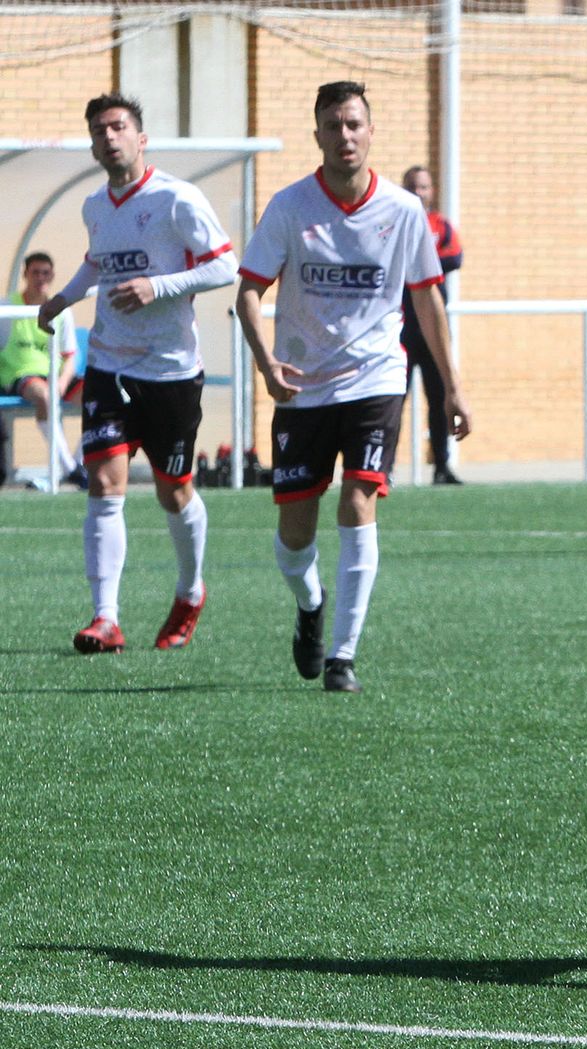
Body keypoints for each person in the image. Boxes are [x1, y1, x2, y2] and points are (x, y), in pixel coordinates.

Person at [237, 81, 472, 694]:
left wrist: (452, 387)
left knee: (359, 501)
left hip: (376, 379)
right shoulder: (290, 207)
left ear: (371, 132)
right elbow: (247, 292)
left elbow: (428, 302)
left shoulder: (402, 211)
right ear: (317, 133)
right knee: (295, 534)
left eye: (354, 124)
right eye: (334, 125)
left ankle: (343, 654)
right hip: (301, 387)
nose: (345, 135)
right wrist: (266, 363)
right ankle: (310, 604)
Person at [37, 93, 237, 654]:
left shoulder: (177, 199)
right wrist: (63, 300)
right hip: (108, 363)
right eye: (99, 130)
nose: (109, 137)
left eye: (118, 127)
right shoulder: (95, 206)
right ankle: (106, 618)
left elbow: (224, 263)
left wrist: (159, 285)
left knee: (174, 494)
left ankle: (190, 590)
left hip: (171, 373)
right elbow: (98, 262)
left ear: (141, 138)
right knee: (103, 485)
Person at [400, 164, 466, 485]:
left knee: (440, 399)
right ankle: (382, 470)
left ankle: (441, 466)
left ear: (432, 191)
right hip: (400, 327)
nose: (418, 192)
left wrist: (419, 262)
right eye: (412, 186)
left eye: (423, 187)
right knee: (390, 402)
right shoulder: (394, 224)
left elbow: (455, 257)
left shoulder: (442, 226)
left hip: (434, 328)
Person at [2, 251, 88, 489]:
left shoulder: (62, 310)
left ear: (52, 276)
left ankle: (71, 468)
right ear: (25, 274)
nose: (40, 278)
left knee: (101, 398)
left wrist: (61, 383)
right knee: (45, 396)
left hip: (55, 377)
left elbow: (70, 357)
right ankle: (72, 470)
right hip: (20, 375)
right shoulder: (8, 308)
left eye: (45, 273)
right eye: (35, 272)